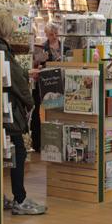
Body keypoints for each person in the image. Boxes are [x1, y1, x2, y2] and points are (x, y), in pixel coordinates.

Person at [0, 10, 47, 215]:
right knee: (19, 152)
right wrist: (30, 101)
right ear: (7, 29)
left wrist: (25, 72)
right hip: (9, 111)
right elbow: (16, 81)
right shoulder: (3, 49)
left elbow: (11, 74)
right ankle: (20, 199)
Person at [30, 23, 67, 153]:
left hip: (59, 83)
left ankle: (57, 142)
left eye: (56, 33)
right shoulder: (42, 48)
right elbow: (36, 64)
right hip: (44, 82)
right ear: (46, 34)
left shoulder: (65, 47)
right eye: (51, 34)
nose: (55, 36)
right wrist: (39, 65)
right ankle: (38, 143)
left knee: (57, 110)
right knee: (37, 113)